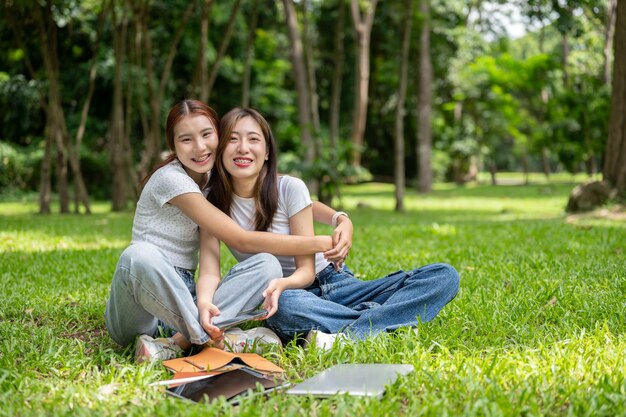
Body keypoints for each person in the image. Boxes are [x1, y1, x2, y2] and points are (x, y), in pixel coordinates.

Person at [104, 100, 350, 362]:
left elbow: (291, 195)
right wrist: (323, 242)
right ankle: (207, 338)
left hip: (184, 298)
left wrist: (340, 218)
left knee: (267, 264)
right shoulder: (171, 179)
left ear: (218, 139)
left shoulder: (212, 181)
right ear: (173, 146)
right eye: (186, 139)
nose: (199, 147)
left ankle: (179, 340)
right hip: (142, 304)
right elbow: (239, 239)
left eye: (206, 135)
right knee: (139, 255)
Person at [208, 107, 460, 349]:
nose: (243, 148)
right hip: (292, 294)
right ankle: (384, 322)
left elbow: (306, 270)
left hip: (334, 282)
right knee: (282, 307)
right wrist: (281, 286)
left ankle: (351, 332)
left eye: (253, 139)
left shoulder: (289, 188)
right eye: (232, 139)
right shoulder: (212, 204)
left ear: (266, 153)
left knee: (444, 276)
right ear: (220, 150)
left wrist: (342, 219)